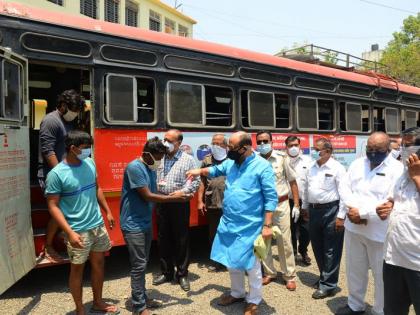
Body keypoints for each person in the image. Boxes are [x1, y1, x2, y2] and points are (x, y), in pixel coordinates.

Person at [187, 131, 278, 315]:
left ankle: (254, 300)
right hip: (229, 223)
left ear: (245, 148)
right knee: (231, 261)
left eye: (232, 148)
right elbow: (214, 170)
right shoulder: (231, 163)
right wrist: (198, 170)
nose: (228, 151)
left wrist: (267, 226)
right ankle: (237, 293)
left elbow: (270, 198)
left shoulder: (262, 166)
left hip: (250, 226)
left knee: (252, 266)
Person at [45, 130, 118, 315]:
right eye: (85, 148)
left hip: (97, 225)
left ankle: (98, 302)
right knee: (77, 270)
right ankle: (80, 310)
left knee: (99, 264)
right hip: (78, 230)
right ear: (73, 148)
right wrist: (69, 232)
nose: (88, 152)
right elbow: (53, 206)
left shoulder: (90, 163)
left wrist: (107, 211)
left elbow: (97, 188)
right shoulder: (57, 174)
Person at [120, 137, 192, 315]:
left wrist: (179, 192)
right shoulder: (134, 168)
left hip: (144, 221)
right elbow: (148, 196)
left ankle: (142, 297)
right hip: (133, 223)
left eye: (161, 158)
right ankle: (139, 306)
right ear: (147, 154)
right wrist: (175, 198)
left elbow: (155, 190)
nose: (160, 161)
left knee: (143, 264)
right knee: (138, 266)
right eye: (158, 158)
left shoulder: (151, 168)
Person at [336, 132, 403, 315]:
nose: (373, 153)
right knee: (354, 270)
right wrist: (352, 209)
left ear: (388, 149)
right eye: (369, 149)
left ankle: (379, 310)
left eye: (378, 150)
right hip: (353, 228)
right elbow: (344, 187)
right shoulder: (358, 164)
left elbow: (390, 199)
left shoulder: (397, 169)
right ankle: (355, 305)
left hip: (379, 233)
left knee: (381, 276)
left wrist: (363, 214)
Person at [39, 89, 85, 262]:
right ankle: (48, 247)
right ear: (63, 105)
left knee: (67, 209)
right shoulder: (51, 120)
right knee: (59, 210)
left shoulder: (67, 122)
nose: (75, 114)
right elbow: (47, 150)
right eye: (73, 109)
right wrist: (61, 173)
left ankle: (61, 237)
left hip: (65, 172)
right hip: (53, 174)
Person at [153, 129, 200, 292]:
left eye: (169, 141)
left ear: (178, 143)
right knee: (163, 237)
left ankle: (182, 274)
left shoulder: (188, 160)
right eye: (164, 139)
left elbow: (194, 181)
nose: (165, 143)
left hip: (179, 203)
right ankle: (166, 272)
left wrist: (183, 192)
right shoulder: (159, 157)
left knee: (181, 238)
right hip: (161, 202)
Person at [301, 137, 346, 299]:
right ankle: (324, 277)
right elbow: (306, 189)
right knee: (317, 246)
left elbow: (344, 194)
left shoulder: (337, 168)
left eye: (317, 149)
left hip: (331, 210)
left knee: (331, 249)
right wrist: (304, 207)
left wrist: (341, 216)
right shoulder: (312, 168)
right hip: (313, 211)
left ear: (328, 151)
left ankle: (329, 285)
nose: (314, 151)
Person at [255, 131, 300, 291]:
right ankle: (269, 272)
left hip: (281, 206)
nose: (262, 144)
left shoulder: (282, 159)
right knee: (264, 241)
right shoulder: (254, 160)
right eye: (259, 141)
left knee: (285, 241)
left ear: (272, 142)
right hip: (261, 207)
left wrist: (296, 204)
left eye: (265, 141)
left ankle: (289, 275)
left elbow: (292, 181)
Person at [383, 127, 420, 315]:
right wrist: (387, 206)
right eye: (403, 145)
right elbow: (393, 199)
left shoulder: (413, 173)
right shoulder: (401, 174)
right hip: (393, 259)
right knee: (393, 310)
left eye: (410, 145)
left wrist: (417, 177)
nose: (404, 149)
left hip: (417, 263)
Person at [197, 133, 228, 272]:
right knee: (214, 233)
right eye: (213, 143)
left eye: (219, 143)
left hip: (229, 203)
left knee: (230, 232)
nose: (215, 145)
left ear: (225, 145)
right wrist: (199, 201)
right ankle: (216, 261)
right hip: (212, 201)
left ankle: (229, 260)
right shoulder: (206, 160)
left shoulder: (232, 159)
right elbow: (202, 182)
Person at [285, 135, 313, 266]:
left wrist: (307, 204)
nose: (293, 148)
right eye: (290, 146)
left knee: (305, 229)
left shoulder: (308, 161)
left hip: (304, 201)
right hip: (287, 201)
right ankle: (293, 252)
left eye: (296, 145)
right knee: (289, 228)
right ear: (286, 147)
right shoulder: (283, 161)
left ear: (300, 145)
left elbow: (311, 182)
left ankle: (303, 251)